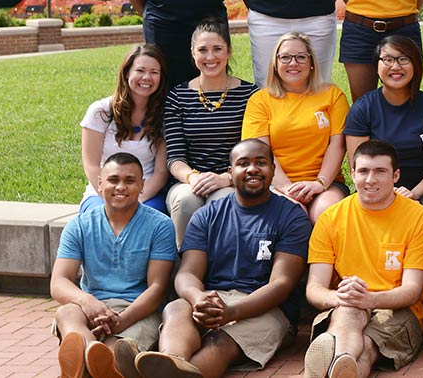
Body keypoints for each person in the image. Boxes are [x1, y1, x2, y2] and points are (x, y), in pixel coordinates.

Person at [133, 139, 311, 378]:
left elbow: (281, 284)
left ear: (273, 169)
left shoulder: (291, 217)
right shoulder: (207, 215)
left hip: (268, 308)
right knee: (177, 307)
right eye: (243, 163)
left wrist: (231, 313)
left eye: (261, 162)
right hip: (214, 299)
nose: (252, 169)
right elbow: (188, 273)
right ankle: (172, 362)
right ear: (230, 172)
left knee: (219, 341)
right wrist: (198, 298)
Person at [304, 140, 423, 378]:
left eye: (380, 171)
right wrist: (341, 296)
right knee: (348, 313)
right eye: (363, 171)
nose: (370, 179)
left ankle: (331, 360)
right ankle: (341, 360)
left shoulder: (419, 218)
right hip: (345, 307)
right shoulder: (331, 218)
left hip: (399, 309)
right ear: (352, 174)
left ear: (396, 175)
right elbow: (314, 289)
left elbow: (412, 290)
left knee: (366, 346)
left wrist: (370, 299)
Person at [52, 153, 176, 378]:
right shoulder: (79, 226)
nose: (121, 187)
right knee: (67, 312)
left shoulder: (161, 226)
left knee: (114, 351)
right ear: (99, 183)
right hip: (90, 308)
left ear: (142, 185)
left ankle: (86, 365)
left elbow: (157, 288)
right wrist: (87, 302)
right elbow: (59, 282)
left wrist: (122, 320)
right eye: (113, 180)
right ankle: (86, 352)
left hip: (138, 311)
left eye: (129, 181)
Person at [344, 35, 423, 240]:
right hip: (374, 187)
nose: (395, 66)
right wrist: (389, 193)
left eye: (404, 59)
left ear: (416, 65)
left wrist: (415, 193)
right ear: (376, 66)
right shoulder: (363, 108)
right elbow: (358, 167)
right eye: (388, 59)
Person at [164, 19, 259, 244]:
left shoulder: (250, 95)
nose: (210, 57)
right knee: (186, 201)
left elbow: (255, 151)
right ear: (192, 53)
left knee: (223, 201)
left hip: (233, 180)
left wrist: (226, 178)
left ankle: (220, 272)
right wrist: (193, 178)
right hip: (188, 181)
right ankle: (185, 269)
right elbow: (175, 158)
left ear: (229, 51)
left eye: (217, 49)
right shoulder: (177, 97)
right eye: (203, 50)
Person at [242, 32, 350, 222]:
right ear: (275, 64)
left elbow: (338, 144)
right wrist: (286, 188)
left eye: (300, 57)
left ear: (311, 62)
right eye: (285, 57)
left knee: (326, 213)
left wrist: (320, 183)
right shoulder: (260, 101)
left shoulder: (333, 95)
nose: (293, 63)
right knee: (294, 214)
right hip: (276, 184)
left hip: (326, 183)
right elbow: (260, 152)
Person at [81, 44, 170, 215]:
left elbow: (160, 173)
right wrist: (112, 198)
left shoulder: (164, 116)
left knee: (146, 220)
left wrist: (134, 201)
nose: (147, 77)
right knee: (100, 219)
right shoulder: (100, 112)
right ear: (127, 72)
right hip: (102, 193)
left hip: (146, 194)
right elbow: (91, 165)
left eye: (154, 72)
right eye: (140, 70)